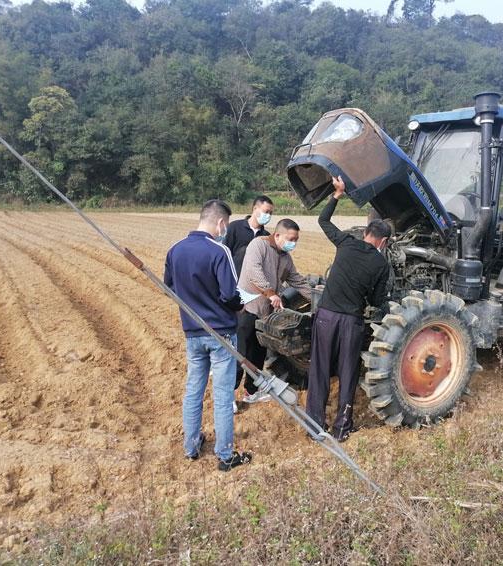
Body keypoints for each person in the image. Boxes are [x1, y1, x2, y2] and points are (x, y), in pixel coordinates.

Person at [163, 199, 252, 472]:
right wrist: (240, 304)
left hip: (192, 333)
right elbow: (229, 294)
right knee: (223, 395)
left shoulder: (175, 250)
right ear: (221, 223)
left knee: (194, 390)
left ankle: (191, 447)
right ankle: (225, 456)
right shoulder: (219, 250)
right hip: (221, 333)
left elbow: (169, 286)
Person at [305, 176, 391, 442]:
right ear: (383, 242)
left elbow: (323, 221)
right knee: (348, 372)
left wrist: (337, 194)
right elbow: (377, 302)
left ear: (365, 234)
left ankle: (314, 426)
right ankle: (342, 428)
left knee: (319, 368)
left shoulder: (346, 242)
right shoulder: (381, 265)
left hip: (326, 316)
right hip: (351, 324)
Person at [237, 218, 313, 403]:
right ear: (277, 235)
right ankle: (228, 397)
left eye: (295, 240)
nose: (293, 243)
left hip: (265, 314)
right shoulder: (259, 245)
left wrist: (319, 298)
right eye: (290, 239)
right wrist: (271, 293)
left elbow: (297, 281)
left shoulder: (285, 258)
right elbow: (253, 271)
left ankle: (251, 392)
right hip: (247, 309)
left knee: (258, 354)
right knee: (240, 354)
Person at [223, 195, 274, 276]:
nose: (268, 216)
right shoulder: (234, 227)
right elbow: (224, 254)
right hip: (233, 279)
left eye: (271, 213)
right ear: (255, 209)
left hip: (254, 283)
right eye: (266, 212)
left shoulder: (267, 237)